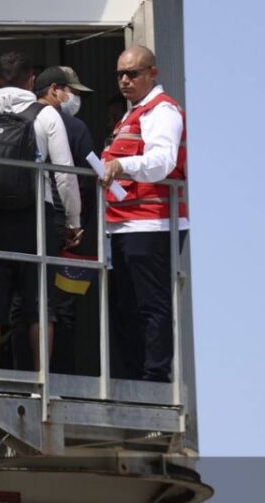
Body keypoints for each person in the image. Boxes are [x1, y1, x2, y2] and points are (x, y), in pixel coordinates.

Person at [0, 52, 81, 374]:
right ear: (31, 80)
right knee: (39, 305)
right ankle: (43, 378)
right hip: (36, 220)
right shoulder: (45, 116)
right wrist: (73, 221)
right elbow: (65, 174)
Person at [100, 46, 188, 383]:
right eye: (120, 74)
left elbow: (162, 161)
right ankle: (136, 377)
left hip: (152, 222)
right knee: (125, 307)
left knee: (150, 304)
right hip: (123, 225)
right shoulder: (130, 115)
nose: (124, 80)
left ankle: (154, 379)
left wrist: (121, 165)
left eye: (132, 73)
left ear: (153, 73)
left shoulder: (162, 111)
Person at [33, 66, 97, 374]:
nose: (75, 99)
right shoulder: (76, 127)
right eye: (73, 92)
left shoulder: (29, 119)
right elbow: (85, 179)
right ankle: (63, 375)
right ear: (57, 90)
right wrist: (79, 222)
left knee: (32, 303)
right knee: (64, 308)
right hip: (70, 232)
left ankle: (32, 370)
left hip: (34, 223)